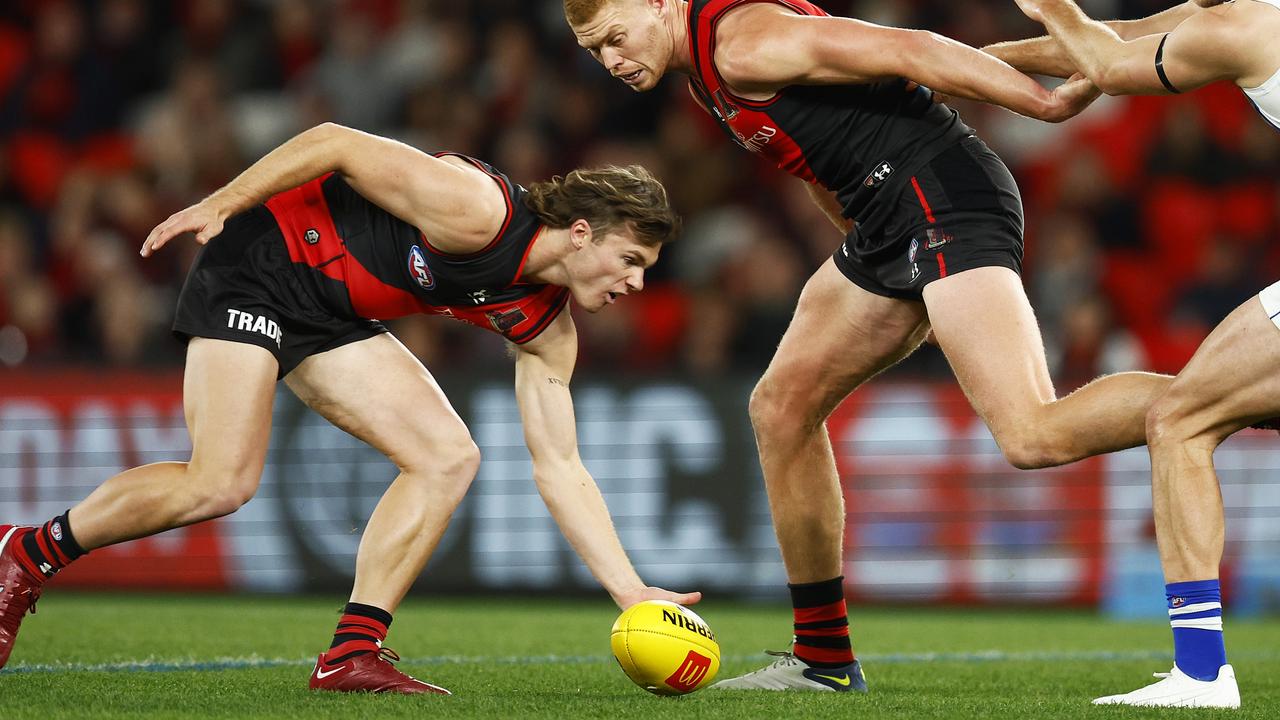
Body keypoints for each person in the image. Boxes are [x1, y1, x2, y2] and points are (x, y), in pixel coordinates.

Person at [563, 0, 1184, 693]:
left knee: (1032, 434)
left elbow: (909, 49)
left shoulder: (743, 42)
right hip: (885, 223)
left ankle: (1236, 394)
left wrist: (1038, 108)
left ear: (657, 5)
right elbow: (823, 156)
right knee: (780, 408)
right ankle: (823, 660)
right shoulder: (703, 69)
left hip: (942, 200)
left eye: (616, 37)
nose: (611, 60)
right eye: (595, 52)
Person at [0, 122, 699, 694]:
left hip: (333, 310)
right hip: (259, 267)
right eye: (631, 259)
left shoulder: (547, 329)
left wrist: (630, 589)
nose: (636, 282)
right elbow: (335, 142)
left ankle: (351, 653)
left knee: (446, 457)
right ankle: (28, 552)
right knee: (220, 483)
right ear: (581, 233)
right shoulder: (479, 209)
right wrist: (225, 200)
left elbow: (561, 465)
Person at [990, 0, 1280, 708]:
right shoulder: (1237, 15)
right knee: (1191, 409)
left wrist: (1051, 5)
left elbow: (1108, 62)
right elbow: (1113, 41)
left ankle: (1204, 673)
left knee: (1181, 420)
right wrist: (956, 64)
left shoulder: (1247, 25)